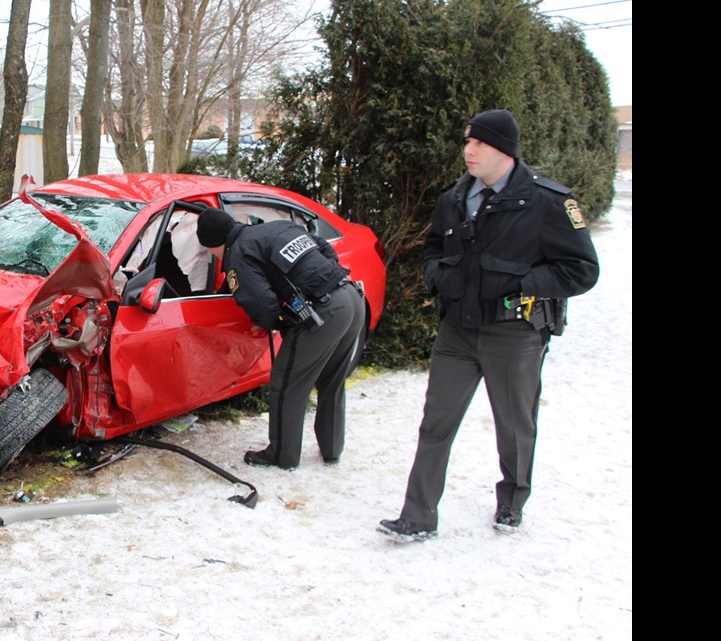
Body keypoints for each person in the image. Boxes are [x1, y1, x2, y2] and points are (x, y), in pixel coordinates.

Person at [377, 109, 600, 542]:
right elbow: (432, 247)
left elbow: (581, 270)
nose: (469, 151)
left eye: (478, 143)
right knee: (435, 422)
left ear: (504, 150)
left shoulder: (548, 202)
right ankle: (418, 516)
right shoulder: (454, 197)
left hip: (513, 333)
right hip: (458, 330)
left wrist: (522, 283)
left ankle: (512, 501)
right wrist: (437, 276)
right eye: (466, 142)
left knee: (514, 424)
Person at [196, 206, 366, 470]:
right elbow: (324, 248)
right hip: (351, 299)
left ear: (214, 244)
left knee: (286, 383)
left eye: (210, 251)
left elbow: (261, 304)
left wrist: (281, 322)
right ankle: (332, 451)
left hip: (321, 314)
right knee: (332, 381)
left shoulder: (238, 253)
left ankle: (281, 456)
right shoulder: (276, 227)